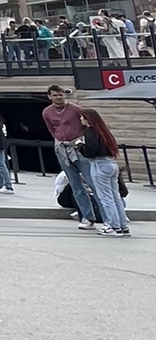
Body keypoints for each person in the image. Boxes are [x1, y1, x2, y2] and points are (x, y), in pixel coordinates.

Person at [42, 85, 103, 228]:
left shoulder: (76, 109)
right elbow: (52, 128)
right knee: (75, 185)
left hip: (78, 146)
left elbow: (87, 125)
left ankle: (107, 217)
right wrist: (58, 140)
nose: (59, 97)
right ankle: (87, 217)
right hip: (62, 148)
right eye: (55, 95)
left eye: (61, 95)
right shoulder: (47, 112)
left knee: (92, 182)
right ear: (50, 97)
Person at [73, 102, 130, 235]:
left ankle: (112, 226)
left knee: (105, 197)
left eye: (82, 118)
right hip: (111, 163)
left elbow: (90, 151)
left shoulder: (90, 131)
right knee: (115, 197)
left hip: (99, 164)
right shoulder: (104, 131)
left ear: (87, 119)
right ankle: (123, 226)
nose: (81, 120)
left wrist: (80, 145)